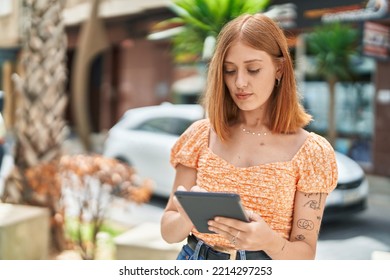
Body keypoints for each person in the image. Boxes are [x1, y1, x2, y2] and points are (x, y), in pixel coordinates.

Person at [160, 13, 338, 260]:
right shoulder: (201, 135)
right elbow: (168, 231)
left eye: (253, 69)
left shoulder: (311, 152)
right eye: (229, 70)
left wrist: (268, 241)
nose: (239, 82)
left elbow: (305, 255)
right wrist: (187, 215)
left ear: (279, 68)